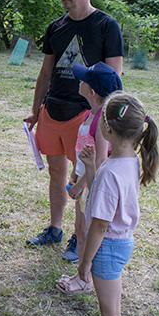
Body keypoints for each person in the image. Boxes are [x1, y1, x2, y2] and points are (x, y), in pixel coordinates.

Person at [24, 0, 123, 248]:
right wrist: (35, 110)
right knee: (57, 173)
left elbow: (114, 78)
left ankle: (80, 238)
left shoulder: (106, 25)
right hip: (52, 110)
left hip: (85, 114)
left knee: (83, 176)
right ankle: (55, 229)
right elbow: (45, 73)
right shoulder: (56, 27)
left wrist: (105, 119)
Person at [69, 91, 159, 316]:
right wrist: (93, 169)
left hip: (106, 246)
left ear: (106, 129)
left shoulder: (114, 170)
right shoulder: (127, 162)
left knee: (111, 312)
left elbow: (98, 224)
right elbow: (100, 197)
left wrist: (84, 263)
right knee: (108, 308)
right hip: (119, 242)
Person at [56, 62, 122, 295]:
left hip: (93, 185)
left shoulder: (102, 120)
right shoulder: (89, 113)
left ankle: (85, 279)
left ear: (92, 90)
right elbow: (82, 149)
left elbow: (101, 161)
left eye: (83, 79)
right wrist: (74, 174)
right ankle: (79, 274)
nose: (79, 81)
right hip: (83, 181)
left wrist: (82, 185)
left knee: (85, 229)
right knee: (80, 227)